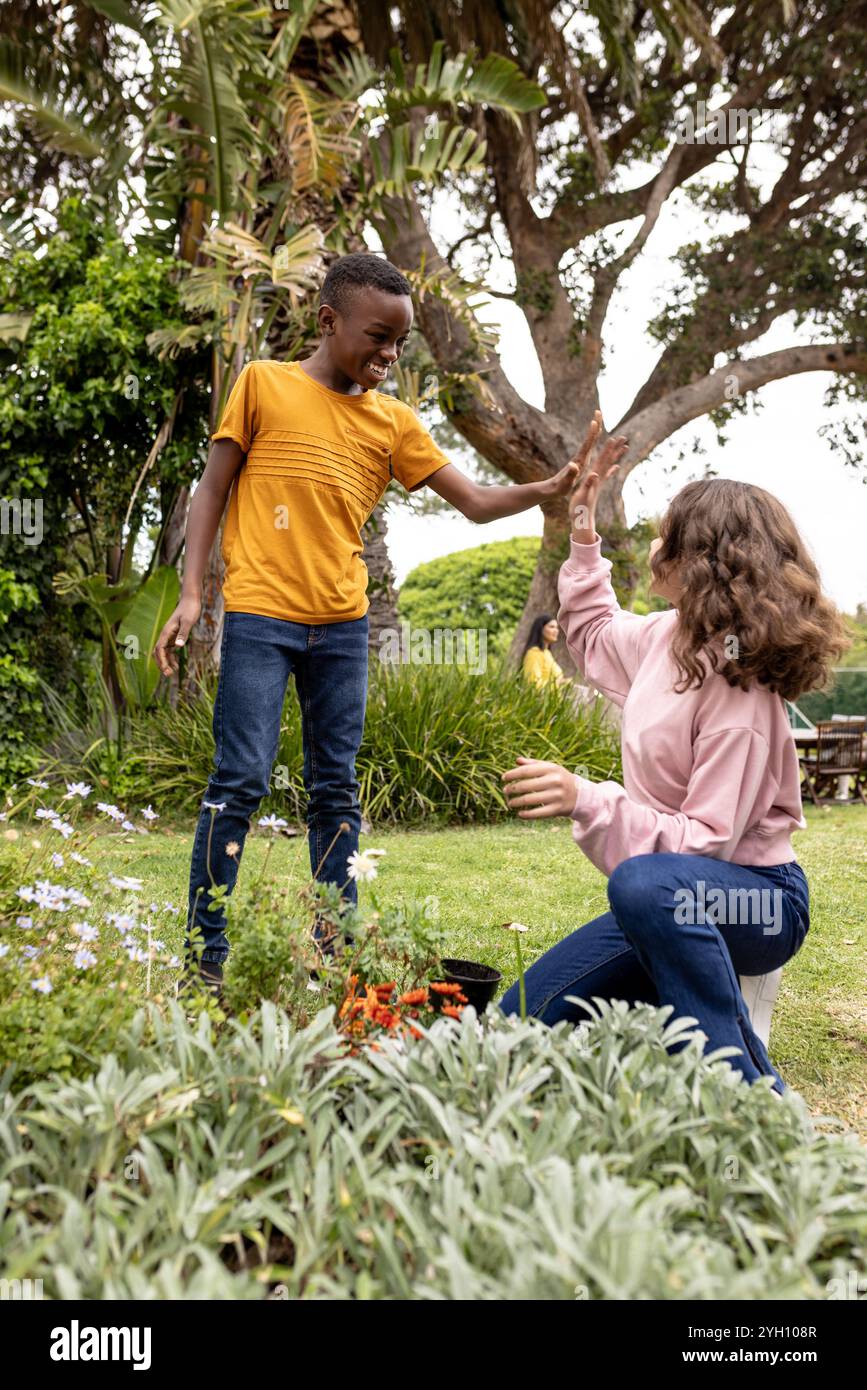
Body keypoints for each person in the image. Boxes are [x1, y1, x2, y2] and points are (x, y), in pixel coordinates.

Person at [154, 252, 583, 994]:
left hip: (342, 629)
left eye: (398, 344)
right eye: (376, 338)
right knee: (241, 780)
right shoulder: (263, 385)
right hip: (260, 615)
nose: (387, 356)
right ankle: (207, 952)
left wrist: (548, 487)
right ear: (328, 321)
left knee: (334, 791)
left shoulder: (391, 422)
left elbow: (475, 501)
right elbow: (211, 488)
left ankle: (336, 946)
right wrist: (194, 593)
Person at [500, 411, 849, 1093]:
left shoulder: (740, 692)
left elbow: (704, 847)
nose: (656, 538)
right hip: (670, 898)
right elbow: (595, 633)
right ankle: (672, 1001)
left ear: (705, 559)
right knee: (514, 1021)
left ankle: (744, 1090)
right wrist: (580, 533)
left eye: (670, 531)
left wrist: (587, 799)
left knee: (641, 884)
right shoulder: (667, 637)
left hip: (757, 904)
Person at [521, 615, 570, 691]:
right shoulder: (534, 653)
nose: (556, 631)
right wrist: (559, 683)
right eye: (552, 627)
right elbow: (533, 685)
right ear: (541, 629)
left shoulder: (547, 653)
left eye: (557, 628)